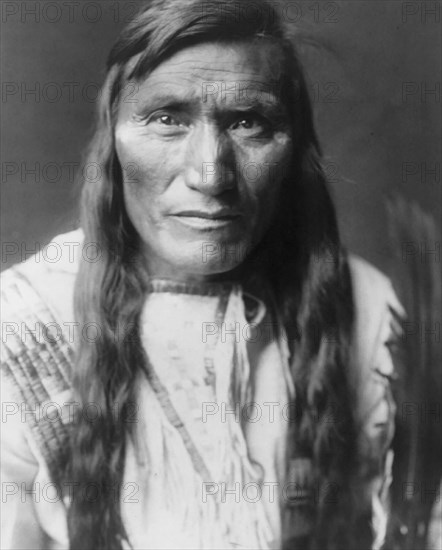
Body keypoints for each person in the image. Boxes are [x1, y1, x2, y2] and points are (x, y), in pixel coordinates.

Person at [0, 0, 405, 548]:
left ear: (294, 152)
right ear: (113, 142)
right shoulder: (26, 319)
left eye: (248, 122)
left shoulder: (367, 306)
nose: (211, 174)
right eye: (167, 118)